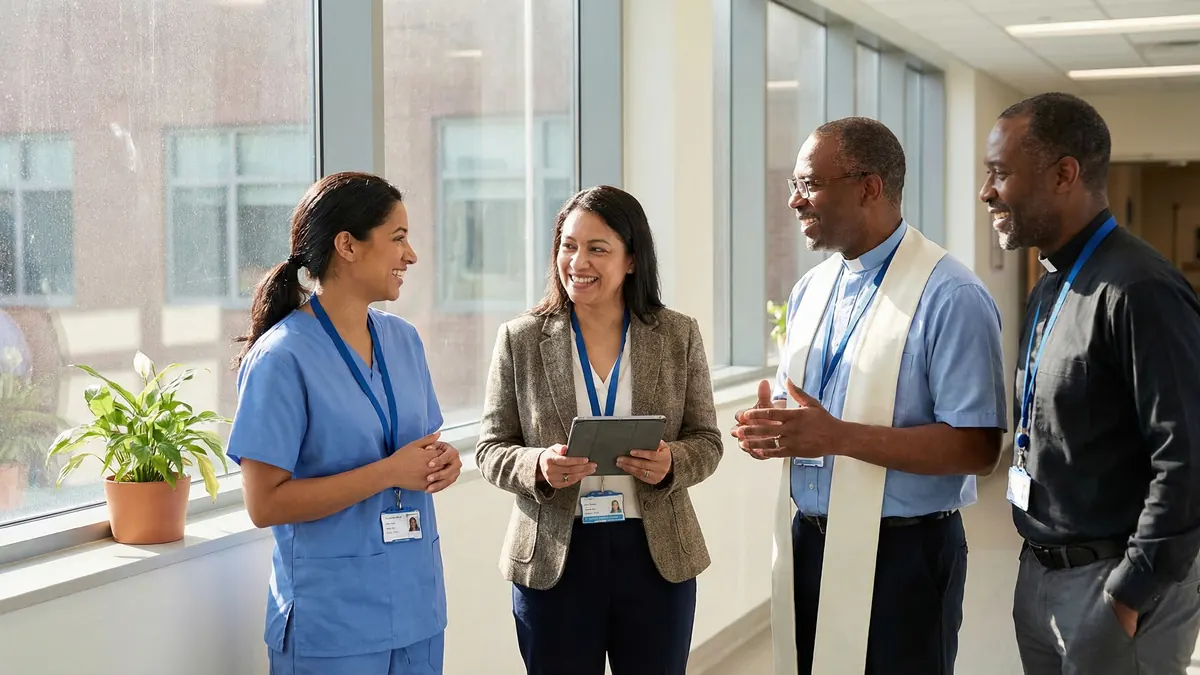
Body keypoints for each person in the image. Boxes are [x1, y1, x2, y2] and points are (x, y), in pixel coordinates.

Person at [730, 117, 1007, 675]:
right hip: (808, 544)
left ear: (869, 187)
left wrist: (836, 436)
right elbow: (817, 409)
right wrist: (776, 429)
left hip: (905, 556)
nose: (794, 202)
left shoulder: (950, 295)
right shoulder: (811, 290)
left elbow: (978, 449)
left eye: (808, 184)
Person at [981, 92, 1200, 674]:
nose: (987, 192)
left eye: (1000, 173)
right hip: (1042, 572)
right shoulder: (1051, 287)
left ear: (1064, 174)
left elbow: (1186, 458)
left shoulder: (1140, 290)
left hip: (1117, 586)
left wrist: (1130, 594)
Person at [475, 185, 723, 675]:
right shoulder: (520, 338)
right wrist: (537, 465)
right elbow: (489, 448)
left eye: (597, 248)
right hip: (555, 556)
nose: (578, 261)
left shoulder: (678, 335)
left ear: (631, 260)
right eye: (568, 246)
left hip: (655, 555)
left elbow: (708, 441)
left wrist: (673, 461)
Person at [225, 171, 462, 675]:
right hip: (333, 626)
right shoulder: (282, 358)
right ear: (347, 246)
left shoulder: (404, 341)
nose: (411, 255)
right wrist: (388, 474)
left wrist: (444, 464)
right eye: (398, 238)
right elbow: (264, 503)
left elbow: (419, 450)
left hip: (417, 609)